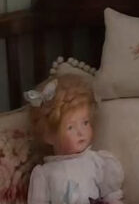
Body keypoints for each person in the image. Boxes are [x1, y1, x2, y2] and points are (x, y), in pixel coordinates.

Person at [26, 74, 124, 204]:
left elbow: (110, 195)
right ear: (49, 136)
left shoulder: (96, 162)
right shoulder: (44, 174)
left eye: (85, 123)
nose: (81, 132)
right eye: (70, 127)